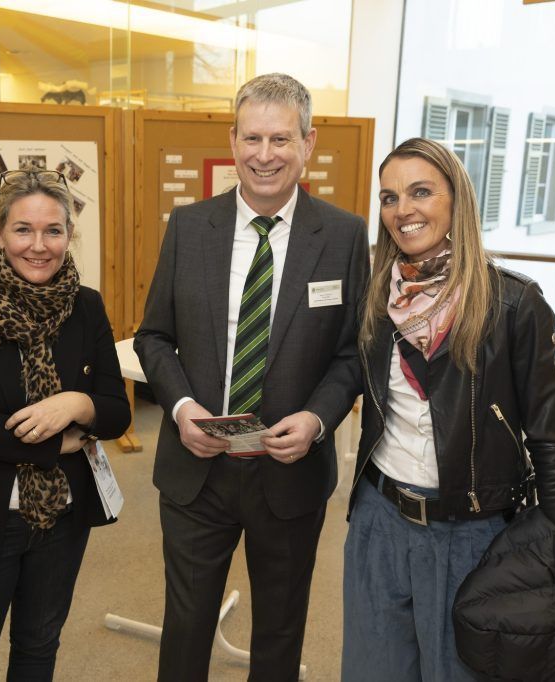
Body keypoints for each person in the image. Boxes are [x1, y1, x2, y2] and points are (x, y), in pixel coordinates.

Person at [134, 73, 370, 681]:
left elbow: (354, 353)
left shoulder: (344, 237)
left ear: (308, 143)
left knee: (280, 630)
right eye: (253, 138)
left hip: (290, 474)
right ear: (233, 139)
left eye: (281, 140)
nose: (265, 155)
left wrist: (318, 419)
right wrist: (183, 410)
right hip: (196, 471)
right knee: (185, 630)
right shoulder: (189, 228)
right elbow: (154, 337)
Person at [341, 137, 555, 681]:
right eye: (389, 198)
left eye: (421, 192)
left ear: (457, 200)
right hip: (378, 519)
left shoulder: (513, 305)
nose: (402, 210)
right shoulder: (375, 296)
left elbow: (550, 441)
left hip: (470, 534)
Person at [0, 169, 130, 681]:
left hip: (62, 515)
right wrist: (61, 442)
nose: (39, 246)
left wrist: (77, 403)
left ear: (68, 235)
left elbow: (117, 411)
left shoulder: (86, 305)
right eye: (23, 230)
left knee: (39, 648)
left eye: (53, 231)